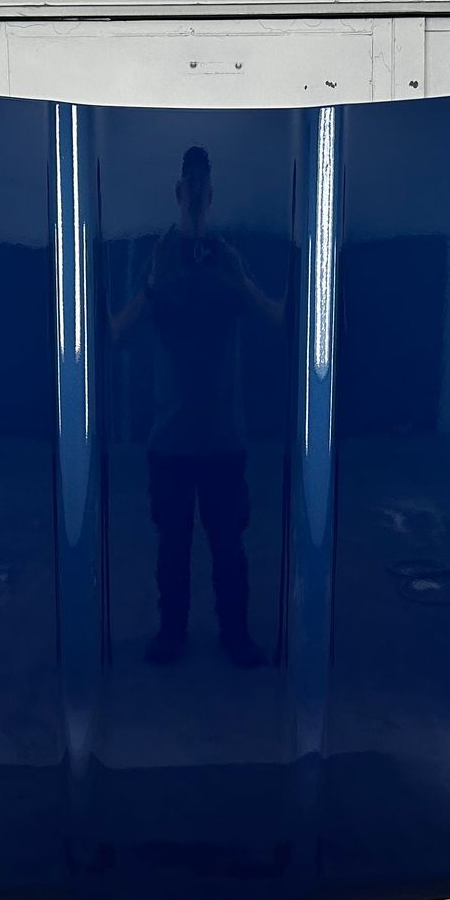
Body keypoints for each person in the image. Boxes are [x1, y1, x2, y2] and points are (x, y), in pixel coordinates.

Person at [112, 146, 283, 667]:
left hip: (224, 438)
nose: (197, 197)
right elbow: (118, 332)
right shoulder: (159, 258)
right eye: (191, 186)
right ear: (179, 193)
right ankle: (174, 633)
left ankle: (235, 635)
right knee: (173, 547)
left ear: (211, 195)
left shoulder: (230, 259)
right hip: (171, 438)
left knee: (229, 546)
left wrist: (239, 278)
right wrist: (152, 284)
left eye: (204, 187)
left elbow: (276, 318)